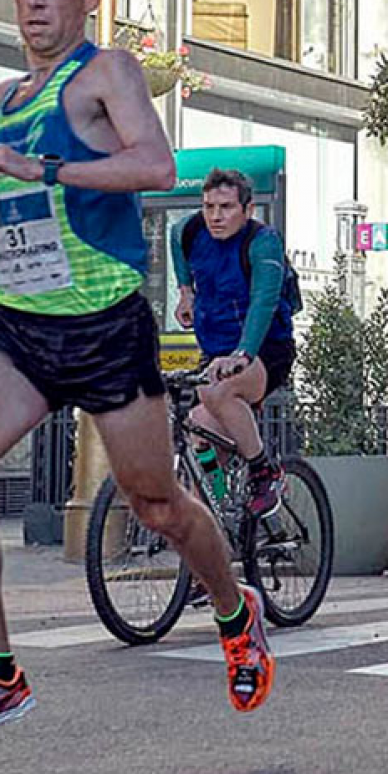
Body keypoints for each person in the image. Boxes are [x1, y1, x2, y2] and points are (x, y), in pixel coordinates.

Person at [0, 0, 275, 745]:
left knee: (156, 502)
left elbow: (155, 165)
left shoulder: (105, 71)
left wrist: (37, 169)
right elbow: (36, 215)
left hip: (107, 323)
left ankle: (233, 609)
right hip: (22, 323)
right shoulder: (11, 97)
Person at [172, 168, 298, 518]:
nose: (215, 216)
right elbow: (173, 238)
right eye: (209, 206)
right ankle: (218, 514)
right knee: (199, 435)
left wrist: (243, 354)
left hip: (265, 348)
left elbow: (263, 302)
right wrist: (185, 293)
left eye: (226, 207)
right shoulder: (189, 231)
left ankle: (264, 471)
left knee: (220, 390)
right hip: (215, 351)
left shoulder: (263, 242)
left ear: (248, 209)